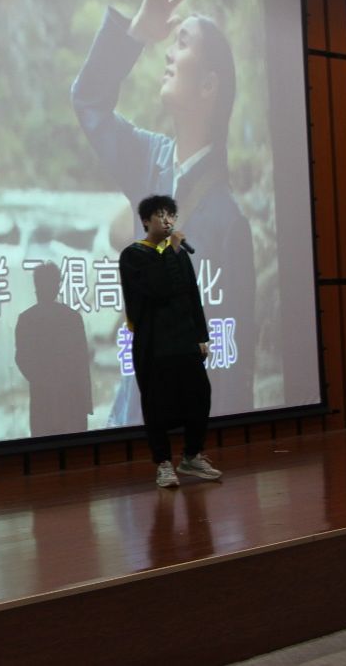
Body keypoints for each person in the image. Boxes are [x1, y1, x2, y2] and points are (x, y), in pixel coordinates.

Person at [73, 0, 256, 421]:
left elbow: (234, 371)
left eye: (183, 43)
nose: (169, 54)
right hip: (130, 414)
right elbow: (89, 101)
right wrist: (135, 35)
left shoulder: (229, 223)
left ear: (209, 85)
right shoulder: (148, 159)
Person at [120, 194, 222, 489]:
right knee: (156, 404)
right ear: (145, 221)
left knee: (200, 395)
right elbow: (157, 288)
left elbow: (192, 295)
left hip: (184, 339)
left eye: (171, 215)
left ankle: (191, 455)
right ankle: (163, 463)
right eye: (160, 215)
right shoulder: (133, 255)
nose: (167, 221)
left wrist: (201, 336)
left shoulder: (177, 254)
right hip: (153, 343)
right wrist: (171, 250)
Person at [15, 263, 93, 437]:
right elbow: (82, 364)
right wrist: (87, 404)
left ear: (36, 288)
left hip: (42, 403)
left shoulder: (26, 319)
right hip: (73, 404)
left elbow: (21, 359)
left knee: (44, 451)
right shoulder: (73, 318)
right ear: (57, 287)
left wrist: (41, 379)